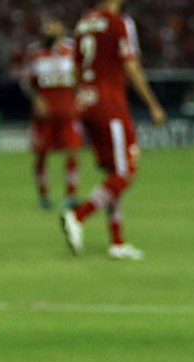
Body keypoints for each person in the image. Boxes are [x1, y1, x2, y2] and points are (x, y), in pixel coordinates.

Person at [60, 0, 167, 261]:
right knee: (125, 172)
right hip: (110, 105)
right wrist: (153, 104)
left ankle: (117, 241)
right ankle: (78, 215)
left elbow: (74, 69)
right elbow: (130, 64)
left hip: (86, 102)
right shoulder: (120, 23)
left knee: (112, 174)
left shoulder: (83, 23)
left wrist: (83, 97)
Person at [20, 17, 81, 211]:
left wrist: (78, 98)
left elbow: (81, 76)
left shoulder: (72, 50)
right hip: (44, 113)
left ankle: (71, 195)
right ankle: (43, 196)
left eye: (52, 26)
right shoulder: (35, 53)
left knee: (72, 151)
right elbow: (26, 82)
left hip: (68, 111)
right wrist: (37, 98)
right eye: (46, 27)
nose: (47, 30)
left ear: (61, 29)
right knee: (41, 154)